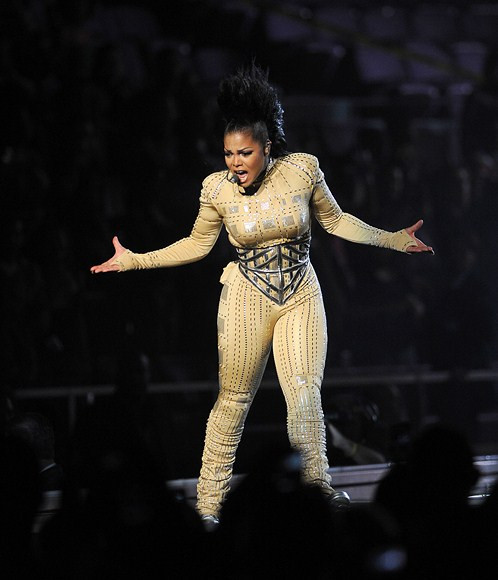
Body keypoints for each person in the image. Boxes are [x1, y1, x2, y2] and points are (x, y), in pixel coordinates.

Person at [91, 63, 433, 525]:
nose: (235, 162)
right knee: (233, 400)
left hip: (301, 292)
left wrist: (391, 238)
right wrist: (135, 259)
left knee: (305, 395)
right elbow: (196, 244)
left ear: (267, 148)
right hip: (247, 295)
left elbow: (335, 221)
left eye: (245, 153)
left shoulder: (302, 170)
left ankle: (318, 491)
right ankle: (209, 505)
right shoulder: (217, 189)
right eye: (229, 153)